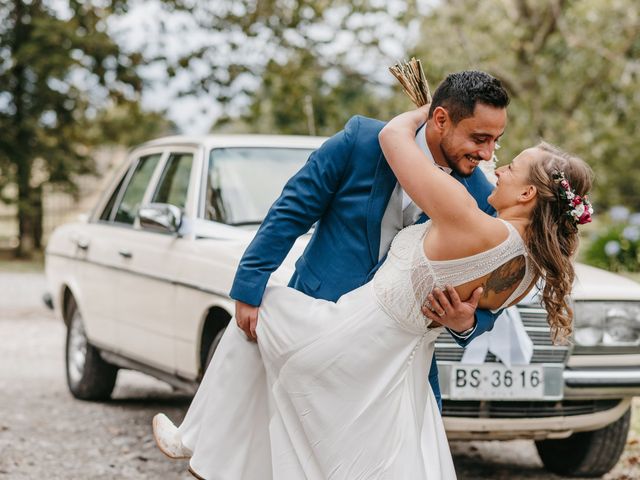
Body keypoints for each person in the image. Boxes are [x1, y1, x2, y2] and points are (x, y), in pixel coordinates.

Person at [152, 105, 594, 479]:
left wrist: (467, 322)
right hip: (361, 326)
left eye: (503, 151)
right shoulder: (533, 260)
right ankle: (206, 449)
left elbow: (394, 137)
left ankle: (198, 445)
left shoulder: (474, 202)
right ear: (445, 120)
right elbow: (292, 208)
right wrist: (249, 283)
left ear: (529, 192)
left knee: (267, 325)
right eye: (482, 138)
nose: (491, 158)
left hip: (365, 341)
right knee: (373, 459)